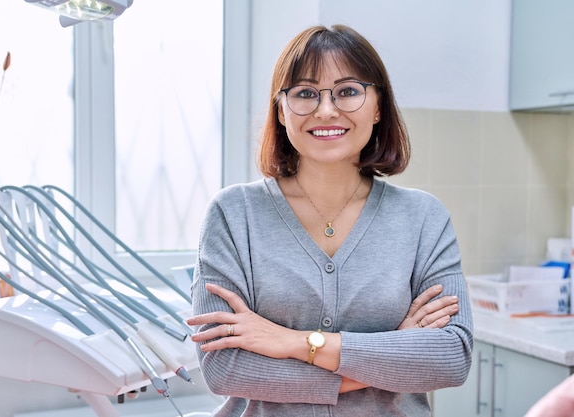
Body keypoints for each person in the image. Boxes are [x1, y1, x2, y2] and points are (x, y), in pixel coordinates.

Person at [186, 24, 473, 416]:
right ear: (281, 111)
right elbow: (225, 370)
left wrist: (293, 341)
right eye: (305, 93)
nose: (326, 109)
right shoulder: (233, 214)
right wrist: (395, 350)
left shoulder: (424, 218)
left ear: (378, 107)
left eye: (348, 92)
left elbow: (451, 357)